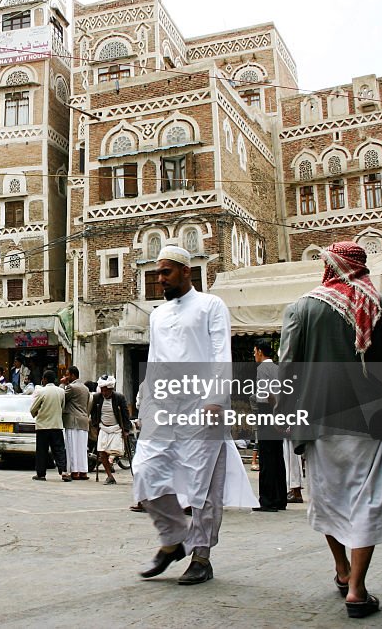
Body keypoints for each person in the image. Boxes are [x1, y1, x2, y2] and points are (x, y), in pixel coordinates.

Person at [278, 241, 382, 619]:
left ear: (328, 266)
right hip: (372, 420)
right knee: (368, 499)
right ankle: (356, 588)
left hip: (317, 419)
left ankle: (342, 569)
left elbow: (288, 369)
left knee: (328, 498)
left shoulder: (302, 308)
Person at [132, 245, 257, 586]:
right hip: (164, 408)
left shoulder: (211, 305)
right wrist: (146, 404)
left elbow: (220, 351)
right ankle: (173, 539)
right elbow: (156, 361)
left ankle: (201, 556)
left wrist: (217, 398)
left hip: (203, 407)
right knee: (145, 469)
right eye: (157, 273)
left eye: (166, 272)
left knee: (204, 486)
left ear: (187, 271)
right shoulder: (157, 315)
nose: (160, 279)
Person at [253, 339, 286, 512]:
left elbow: (267, 394)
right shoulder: (277, 368)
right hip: (278, 412)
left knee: (266, 456)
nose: (254, 354)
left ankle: (268, 499)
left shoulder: (262, 369)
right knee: (277, 456)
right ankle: (280, 497)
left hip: (267, 411)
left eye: (255, 351)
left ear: (259, 351)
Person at [90, 375, 132, 485]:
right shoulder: (97, 397)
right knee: (102, 452)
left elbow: (125, 414)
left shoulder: (119, 397)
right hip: (103, 427)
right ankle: (110, 476)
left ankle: (112, 461)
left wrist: (126, 430)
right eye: (102, 390)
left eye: (106, 391)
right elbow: (93, 412)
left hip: (116, 428)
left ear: (111, 389)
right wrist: (96, 425)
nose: (104, 393)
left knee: (116, 451)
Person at [30, 369, 71, 482]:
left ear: (45, 379)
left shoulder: (41, 391)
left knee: (42, 451)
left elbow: (33, 408)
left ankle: (41, 474)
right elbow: (62, 407)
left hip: (43, 426)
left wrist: (35, 414)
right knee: (59, 450)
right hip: (56, 425)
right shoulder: (61, 391)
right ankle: (64, 472)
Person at [61, 366, 91, 480]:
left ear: (73, 375)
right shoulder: (85, 388)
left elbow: (62, 398)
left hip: (72, 421)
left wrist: (62, 384)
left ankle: (75, 472)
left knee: (72, 447)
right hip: (83, 420)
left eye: (67, 374)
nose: (65, 376)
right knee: (82, 448)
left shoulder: (71, 387)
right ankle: (83, 471)